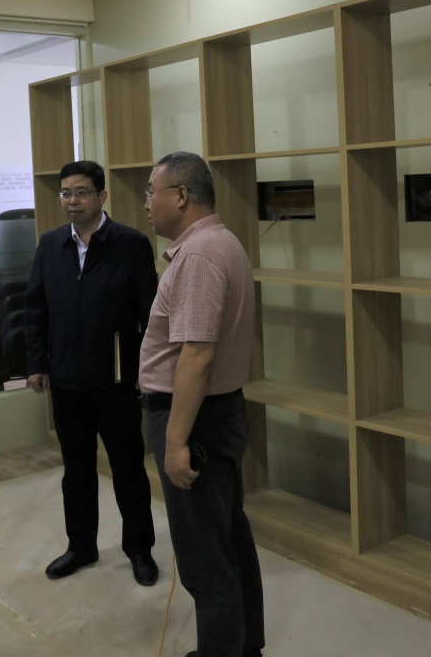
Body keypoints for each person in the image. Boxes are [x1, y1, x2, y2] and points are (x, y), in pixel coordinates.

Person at [138, 151, 265, 657]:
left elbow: (197, 356)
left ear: (181, 195)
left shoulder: (200, 255)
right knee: (228, 538)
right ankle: (243, 649)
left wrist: (175, 443)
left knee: (206, 561)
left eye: (151, 192)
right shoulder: (221, 242)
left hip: (195, 420)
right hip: (215, 414)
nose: (146, 203)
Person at [24, 160, 160, 586]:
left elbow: (151, 314)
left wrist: (146, 370)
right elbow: (35, 308)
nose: (72, 201)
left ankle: (139, 549)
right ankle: (81, 546)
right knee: (76, 470)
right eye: (65, 193)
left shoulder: (131, 244)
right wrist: (37, 363)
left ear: (102, 196)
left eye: (81, 192)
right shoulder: (50, 245)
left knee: (128, 469)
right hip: (66, 379)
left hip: (116, 380)